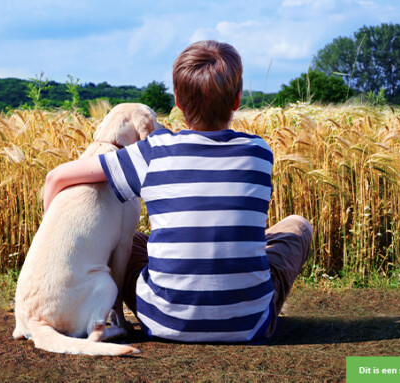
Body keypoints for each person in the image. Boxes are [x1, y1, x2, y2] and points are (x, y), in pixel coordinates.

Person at [43, 40, 313, 343]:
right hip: (250, 324)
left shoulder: (154, 152)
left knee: (128, 238)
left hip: (162, 320)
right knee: (297, 226)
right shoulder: (260, 152)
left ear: (178, 101)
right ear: (237, 100)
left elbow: (57, 178)